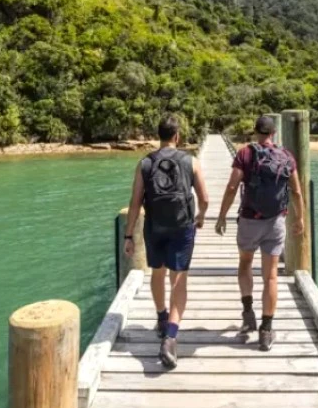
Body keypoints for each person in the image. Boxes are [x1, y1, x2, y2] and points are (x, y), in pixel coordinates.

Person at [124, 115, 209, 369]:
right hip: (182, 227)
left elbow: (135, 202)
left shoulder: (145, 163)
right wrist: (201, 217)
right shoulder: (190, 161)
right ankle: (171, 336)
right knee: (179, 278)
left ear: (158, 136)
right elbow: (204, 198)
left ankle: (161, 317)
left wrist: (129, 235)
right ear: (177, 136)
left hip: (154, 227)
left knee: (158, 273)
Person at [214, 115, 304, 351]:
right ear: (274, 133)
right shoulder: (286, 156)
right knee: (271, 275)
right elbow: (296, 191)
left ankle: (247, 311)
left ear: (256, 132)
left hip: (249, 220)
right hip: (275, 222)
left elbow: (232, 186)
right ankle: (266, 330)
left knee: (245, 263)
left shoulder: (245, 153)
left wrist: (222, 215)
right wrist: (301, 218)